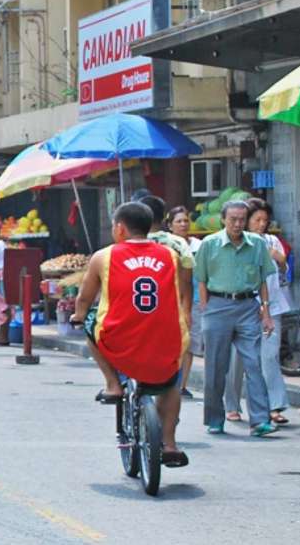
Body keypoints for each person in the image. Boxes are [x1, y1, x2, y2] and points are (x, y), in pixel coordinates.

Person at [70, 203, 190, 468]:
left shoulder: (104, 256)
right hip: (165, 338)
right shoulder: (170, 255)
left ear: (120, 228)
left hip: (120, 339)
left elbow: (84, 298)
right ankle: (169, 444)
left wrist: (78, 316)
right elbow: (179, 293)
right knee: (170, 385)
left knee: (90, 322)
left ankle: (112, 383)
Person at [194, 200, 279, 437]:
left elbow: (263, 280)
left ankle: (260, 420)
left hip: (247, 306)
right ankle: (214, 418)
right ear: (223, 219)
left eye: (242, 219)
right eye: (233, 219)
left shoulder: (257, 245)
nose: (237, 224)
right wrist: (205, 308)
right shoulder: (209, 244)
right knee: (215, 367)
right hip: (217, 306)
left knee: (254, 364)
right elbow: (201, 279)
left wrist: (266, 313)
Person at [224, 198, 292, 426]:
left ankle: (274, 406)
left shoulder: (272, 241)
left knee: (269, 357)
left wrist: (280, 260)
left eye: (265, 220)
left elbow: (282, 274)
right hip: (241, 307)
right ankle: (232, 405)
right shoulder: (234, 243)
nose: (261, 224)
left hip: (272, 307)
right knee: (237, 360)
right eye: (257, 220)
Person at [137, 196, 195, 396]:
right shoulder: (177, 243)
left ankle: (121, 384)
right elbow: (187, 281)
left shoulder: (126, 243)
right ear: (164, 218)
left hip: (136, 310)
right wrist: (187, 311)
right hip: (172, 309)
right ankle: (174, 389)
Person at [166, 206, 204, 396]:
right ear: (169, 225)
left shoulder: (198, 246)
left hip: (195, 300)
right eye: (178, 221)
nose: (183, 224)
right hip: (169, 301)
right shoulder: (165, 246)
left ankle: (182, 385)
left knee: (188, 344)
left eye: (185, 220)